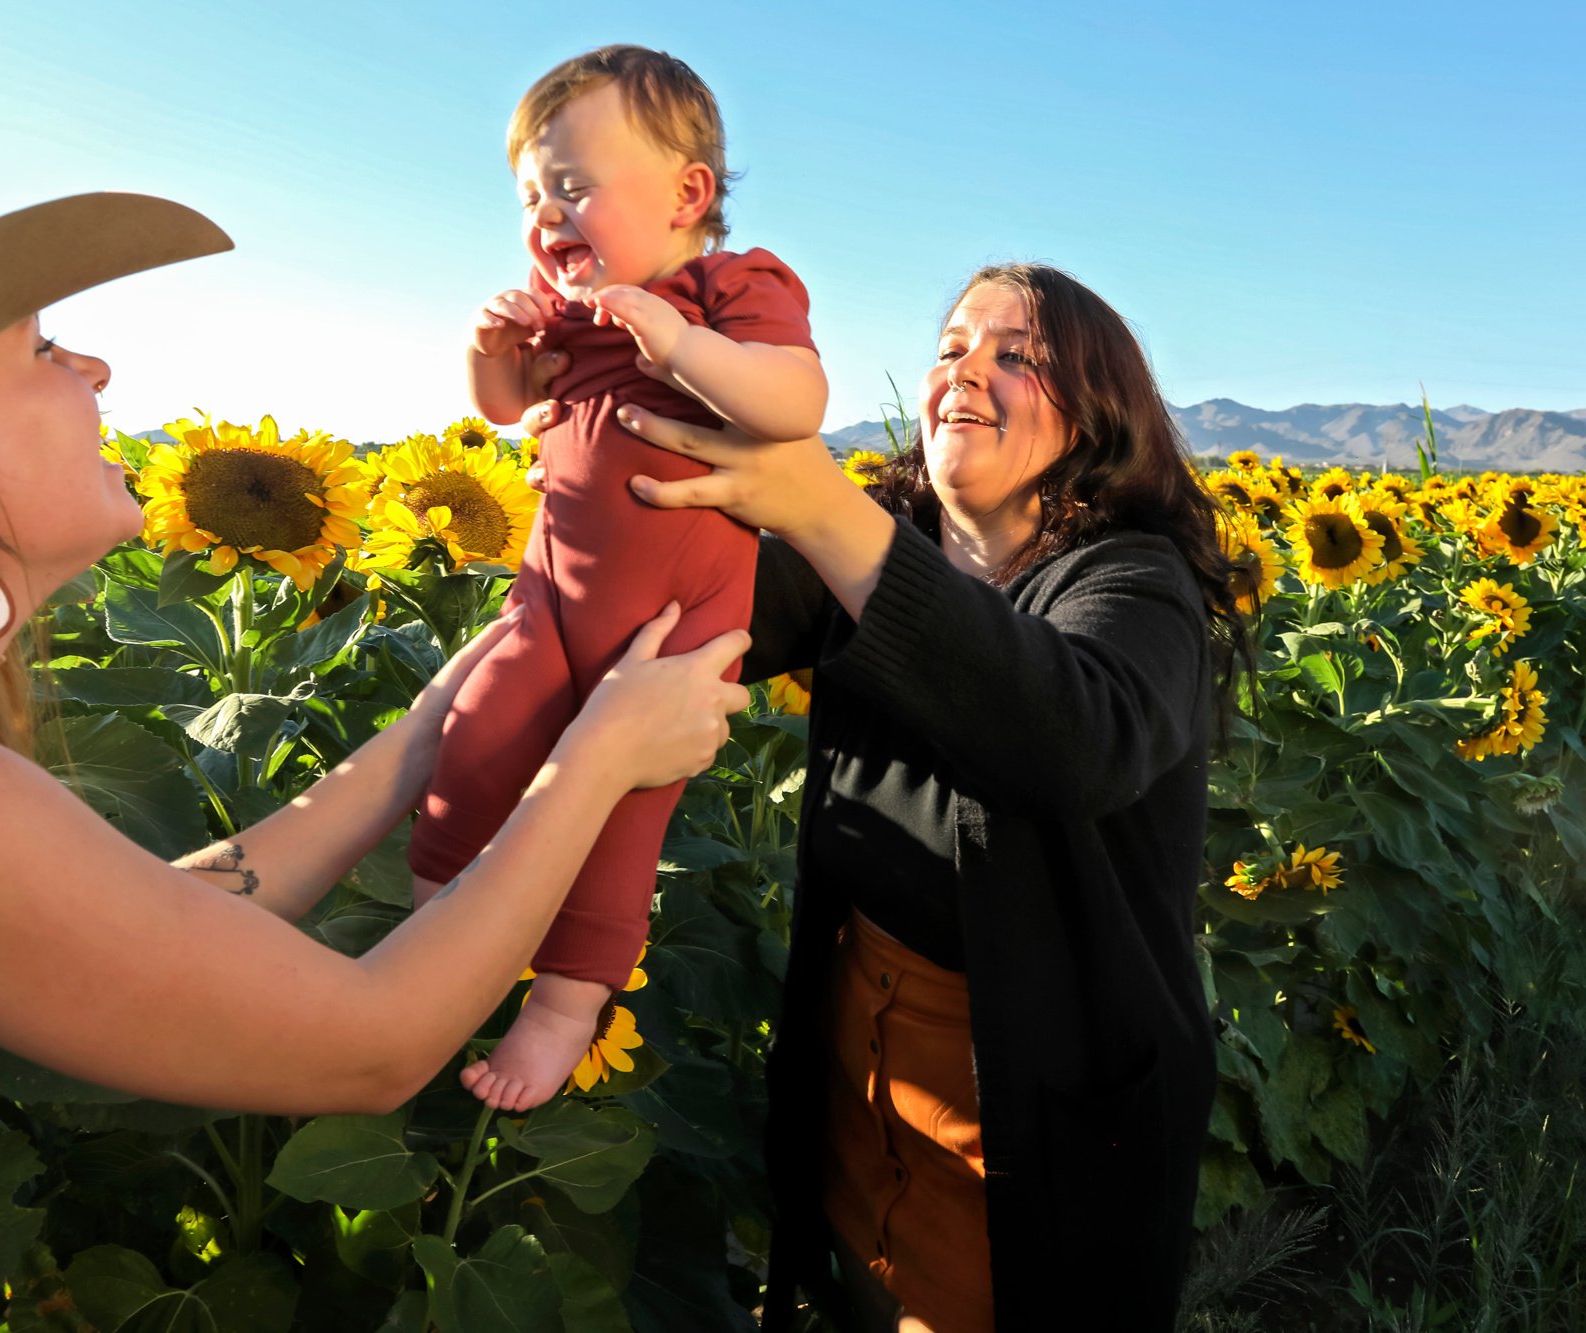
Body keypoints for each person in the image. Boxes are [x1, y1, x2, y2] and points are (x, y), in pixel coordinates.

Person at [0, 116, 751, 1331]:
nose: (92, 371)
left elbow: (143, 927)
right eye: (38, 350)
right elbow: (373, 1043)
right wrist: (600, 755)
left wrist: (429, 728)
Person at [525, 264, 1244, 1330]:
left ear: (1098, 409)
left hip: (1033, 1094)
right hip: (858, 1044)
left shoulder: (1133, 583)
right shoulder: (868, 543)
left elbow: (1068, 740)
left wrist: (821, 509)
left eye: (1017, 355)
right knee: (859, 1292)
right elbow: (683, 614)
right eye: (951, 346)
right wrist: (611, 408)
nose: (966, 370)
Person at [408, 44, 827, 1112]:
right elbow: (505, 406)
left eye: (572, 186)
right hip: (548, 602)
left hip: (670, 638)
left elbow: (792, 402)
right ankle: (431, 929)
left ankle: (561, 1011)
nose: (546, 213)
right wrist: (490, 349)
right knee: (478, 736)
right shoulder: (568, 315)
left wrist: (683, 345)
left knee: (622, 820)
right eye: (529, 195)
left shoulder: (732, 290)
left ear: (688, 194)